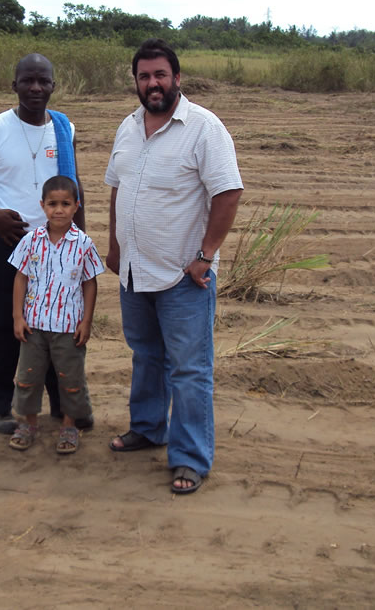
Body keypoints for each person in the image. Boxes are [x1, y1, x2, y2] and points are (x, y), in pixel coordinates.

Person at [104, 39, 243, 494]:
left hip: (184, 274)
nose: (153, 83)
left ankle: (189, 459)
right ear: (136, 82)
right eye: (144, 76)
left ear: (177, 77)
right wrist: (114, 245)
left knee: (189, 369)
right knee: (146, 356)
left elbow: (227, 192)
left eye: (160, 75)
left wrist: (206, 255)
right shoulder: (127, 127)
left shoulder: (204, 128)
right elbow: (116, 189)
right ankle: (147, 429)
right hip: (134, 270)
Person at [0, 53, 92, 434]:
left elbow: (75, 188)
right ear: (14, 84)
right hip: (8, 245)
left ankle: (65, 406)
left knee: (59, 327)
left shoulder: (65, 129)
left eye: (43, 81)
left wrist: (81, 244)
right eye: (27, 80)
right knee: (2, 326)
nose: (35, 88)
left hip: (58, 247)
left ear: (53, 85)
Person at [7, 175, 105, 453]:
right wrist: (17, 316)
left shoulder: (83, 244)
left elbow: (90, 283)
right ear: (42, 206)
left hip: (68, 328)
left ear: (77, 206)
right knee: (28, 376)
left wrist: (86, 321)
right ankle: (27, 424)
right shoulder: (31, 240)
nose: (58, 210)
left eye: (65, 204)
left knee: (71, 378)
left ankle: (69, 426)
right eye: (52, 204)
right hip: (33, 326)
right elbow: (20, 277)